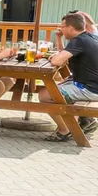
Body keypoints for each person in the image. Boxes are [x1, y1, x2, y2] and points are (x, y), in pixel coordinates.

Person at [40, 13, 98, 141]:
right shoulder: (88, 37)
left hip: (89, 89)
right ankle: (80, 121)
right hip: (91, 85)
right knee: (56, 89)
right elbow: (63, 56)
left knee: (45, 95)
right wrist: (58, 50)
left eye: (62, 26)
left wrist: (55, 57)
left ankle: (65, 129)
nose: (60, 29)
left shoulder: (79, 41)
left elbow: (57, 61)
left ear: (71, 28)